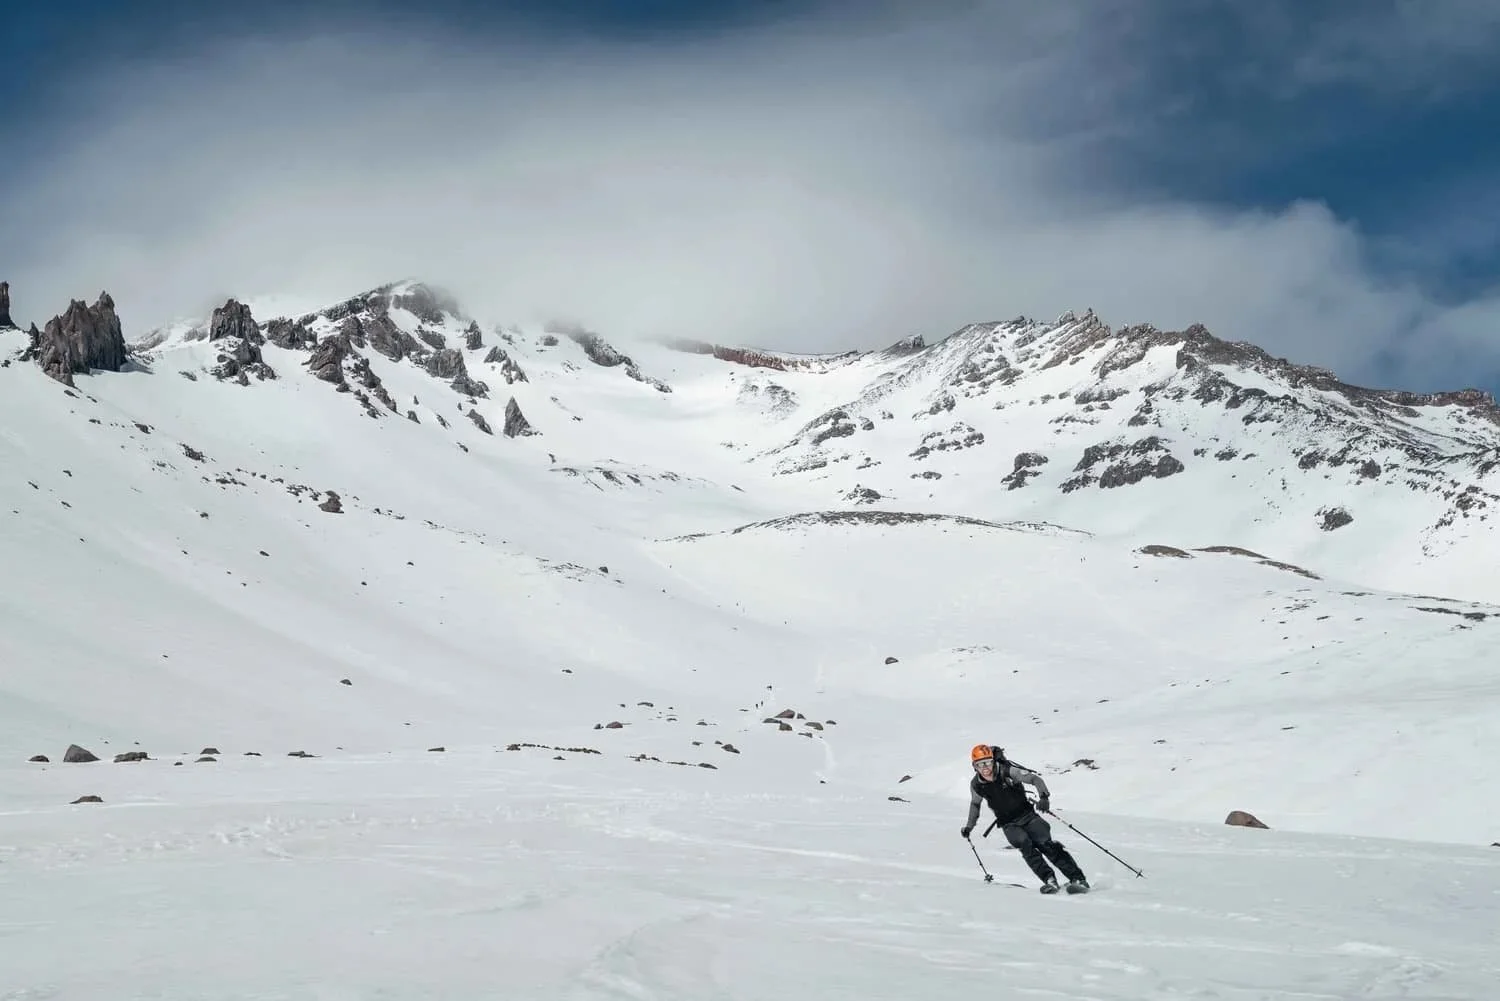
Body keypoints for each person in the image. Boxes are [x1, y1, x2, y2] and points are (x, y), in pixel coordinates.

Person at [961, 743, 1089, 894]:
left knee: (1046, 844)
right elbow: (975, 804)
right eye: (980, 764)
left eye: (988, 762)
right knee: (1025, 844)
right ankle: (1049, 880)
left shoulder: (1007, 771)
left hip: (1028, 815)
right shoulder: (976, 784)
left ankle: (1078, 879)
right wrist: (969, 826)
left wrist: (1044, 797)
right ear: (974, 766)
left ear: (993, 761)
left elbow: (1035, 780)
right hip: (1008, 823)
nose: (985, 767)